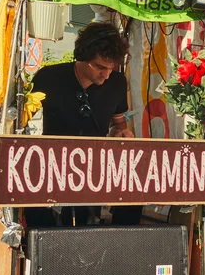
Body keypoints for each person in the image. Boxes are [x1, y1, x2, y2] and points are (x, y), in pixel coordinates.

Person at [27, 21, 141, 226]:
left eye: (111, 68)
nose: (106, 75)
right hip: (52, 170)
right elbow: (20, 120)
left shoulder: (116, 83)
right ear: (82, 56)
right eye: (100, 67)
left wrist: (121, 133)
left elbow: (119, 124)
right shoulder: (49, 77)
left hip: (93, 173)